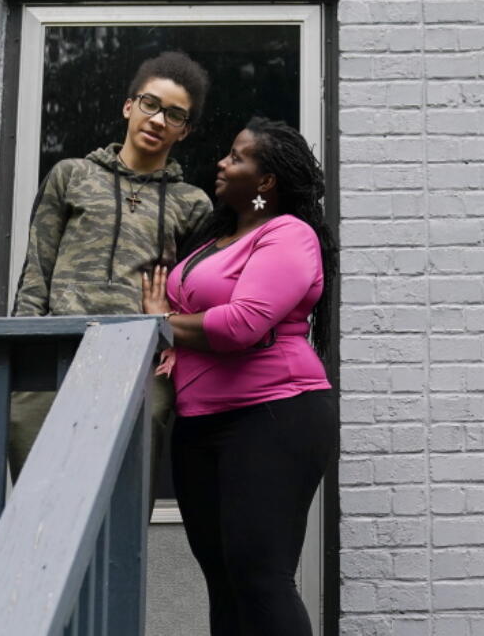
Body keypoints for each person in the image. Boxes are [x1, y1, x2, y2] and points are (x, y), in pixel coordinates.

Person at [141, 117, 339, 636]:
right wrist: (167, 333)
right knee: (224, 582)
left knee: (259, 578)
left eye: (237, 156)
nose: (222, 163)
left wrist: (159, 325)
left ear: (266, 180)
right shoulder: (221, 236)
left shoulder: (288, 234)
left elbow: (241, 325)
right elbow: (192, 324)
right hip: (199, 422)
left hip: (273, 415)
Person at [9, 51, 213, 496]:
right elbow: (36, 268)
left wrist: (168, 324)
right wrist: (25, 346)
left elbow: (197, 291)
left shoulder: (193, 203)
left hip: (140, 358)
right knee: (39, 495)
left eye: (174, 115)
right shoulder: (71, 176)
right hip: (56, 351)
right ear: (129, 106)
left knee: (123, 498)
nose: (158, 120)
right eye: (150, 104)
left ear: (185, 130)